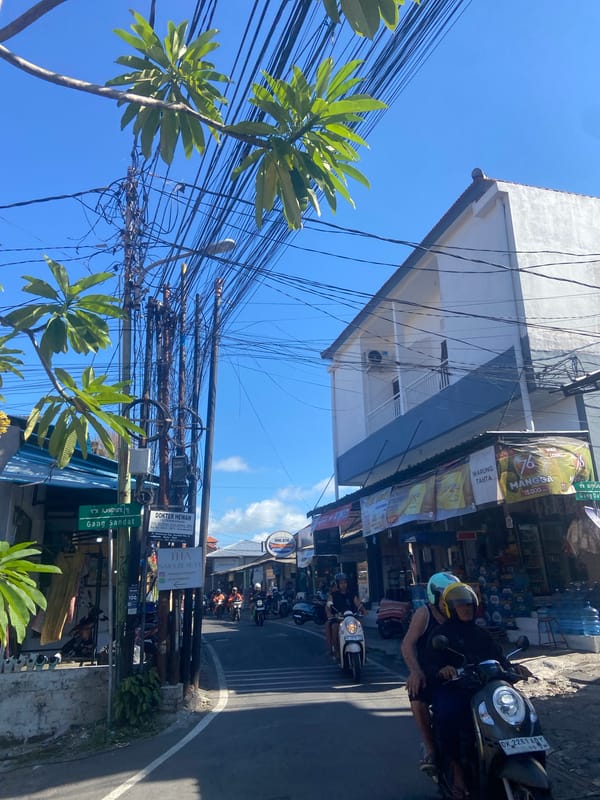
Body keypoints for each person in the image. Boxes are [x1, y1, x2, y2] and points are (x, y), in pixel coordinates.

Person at [422, 581, 532, 799]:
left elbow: (499, 658)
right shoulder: (440, 635)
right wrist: (443, 670)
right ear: (451, 609)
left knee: (517, 710)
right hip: (456, 688)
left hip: (485, 688)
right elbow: (429, 663)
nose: (466, 609)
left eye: (469, 605)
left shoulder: (481, 634)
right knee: (448, 713)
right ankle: (456, 769)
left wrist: (513, 668)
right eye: (461, 606)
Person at [400, 571, 459, 775]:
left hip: (461, 671)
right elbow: (407, 645)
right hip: (431, 672)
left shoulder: (460, 613)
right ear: (435, 597)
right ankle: (431, 749)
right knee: (416, 695)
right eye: (447, 597)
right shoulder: (424, 614)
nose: (452, 601)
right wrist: (416, 671)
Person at [325, 572, 366, 658]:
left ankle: (363, 647)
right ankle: (336, 650)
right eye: (341, 583)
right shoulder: (333, 595)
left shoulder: (351, 594)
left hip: (351, 617)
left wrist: (363, 610)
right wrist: (329, 614)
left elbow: (358, 604)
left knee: (360, 624)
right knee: (334, 627)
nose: (343, 585)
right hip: (338, 618)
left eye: (345, 582)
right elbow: (328, 606)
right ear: (337, 584)